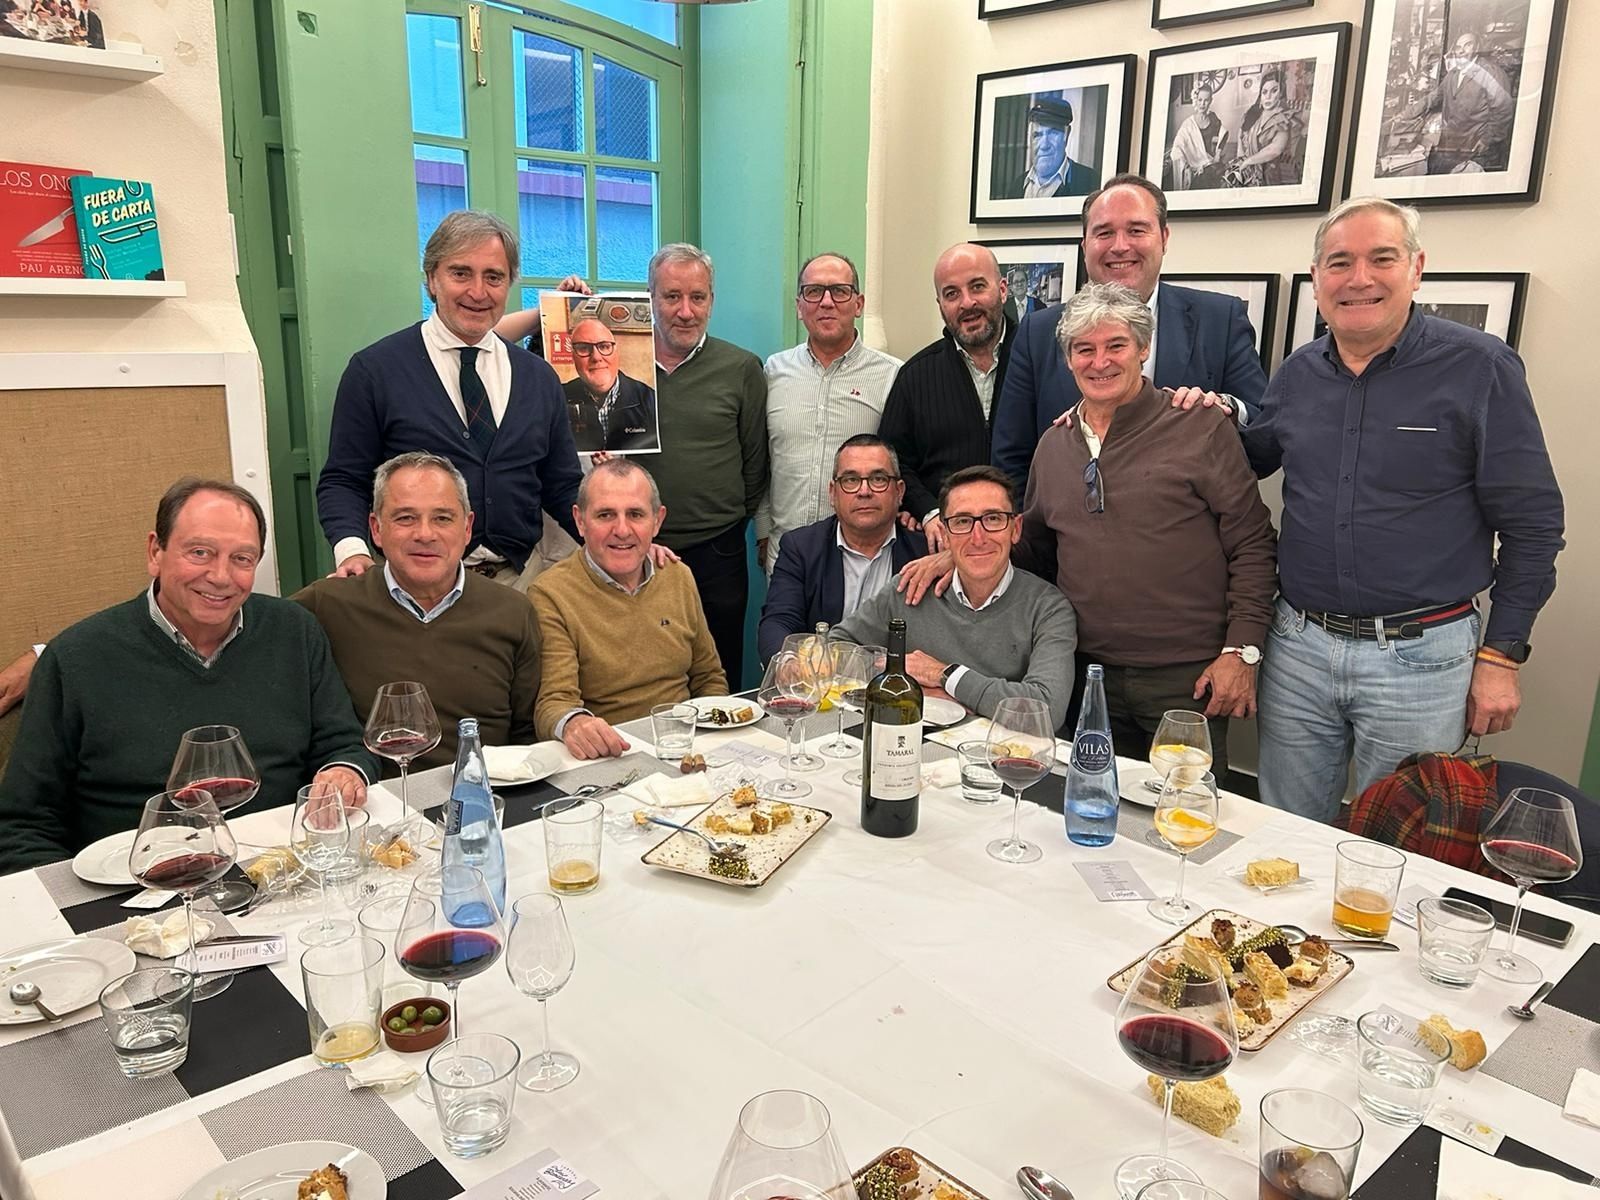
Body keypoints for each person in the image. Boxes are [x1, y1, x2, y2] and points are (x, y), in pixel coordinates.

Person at [1242, 197, 1565, 822]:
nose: (1359, 278)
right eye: (1339, 263)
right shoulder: (1299, 373)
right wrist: (1198, 413)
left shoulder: (1480, 367)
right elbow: (1243, 463)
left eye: (1381, 258)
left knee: (1398, 847)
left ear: (1416, 269)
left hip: (1420, 658)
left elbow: (1533, 526)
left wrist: (1501, 656)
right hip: (1299, 647)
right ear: (1317, 280)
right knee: (1283, 829)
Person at [0, 479, 377, 872]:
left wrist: (344, 771)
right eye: (200, 552)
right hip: (139, 889)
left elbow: (344, 744)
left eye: (242, 559)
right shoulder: (75, 660)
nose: (220, 576)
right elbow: (23, 825)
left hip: (284, 870)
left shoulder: (294, 631)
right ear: (154, 552)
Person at [1011, 283, 1277, 780]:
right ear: (1068, 359)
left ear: (1144, 348)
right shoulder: (1054, 444)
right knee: (1088, 808)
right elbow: (1036, 552)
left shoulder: (1199, 426)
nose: (1100, 362)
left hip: (1184, 679)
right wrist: (962, 550)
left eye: (1116, 346)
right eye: (1084, 349)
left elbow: (1253, 543)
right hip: (1084, 673)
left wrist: (1241, 652)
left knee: (1184, 818)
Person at [315, 210, 584, 590]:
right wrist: (352, 549)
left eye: (494, 277)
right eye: (461, 273)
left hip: (522, 583)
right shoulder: (375, 371)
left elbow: (562, 485)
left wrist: (615, 540)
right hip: (415, 586)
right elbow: (344, 479)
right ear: (431, 280)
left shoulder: (538, 378)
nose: (478, 292)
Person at [991, 174, 1267, 484]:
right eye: (1104, 233)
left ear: (1163, 238)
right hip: (1067, 529)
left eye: (1136, 230)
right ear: (1085, 246)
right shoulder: (1038, 332)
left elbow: (1265, 444)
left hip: (1189, 528)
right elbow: (1010, 462)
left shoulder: (1221, 319)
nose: (1120, 246)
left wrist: (1225, 409)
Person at [292, 453, 540, 770]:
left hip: (485, 797)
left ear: (467, 528)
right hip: (376, 804)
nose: (425, 533)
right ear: (376, 529)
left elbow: (528, 734)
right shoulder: (327, 604)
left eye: (442, 518)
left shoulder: (513, 611)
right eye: (405, 518)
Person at [834, 467, 1077, 730]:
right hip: (919, 757)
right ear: (945, 535)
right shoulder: (910, 588)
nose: (978, 537)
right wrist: (904, 684)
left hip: (1009, 759)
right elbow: (835, 649)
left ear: (1015, 529)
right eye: (962, 521)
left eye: (993, 519)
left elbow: (1046, 710)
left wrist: (944, 675)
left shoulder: (1048, 608)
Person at [531, 459, 727, 760]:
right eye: (605, 514)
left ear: (657, 521)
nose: (621, 530)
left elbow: (709, 677)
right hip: (609, 756)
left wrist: (712, 746)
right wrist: (575, 724)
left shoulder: (678, 575)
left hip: (685, 747)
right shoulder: (551, 593)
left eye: (635, 514)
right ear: (580, 521)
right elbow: (554, 703)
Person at [643, 243, 768, 688]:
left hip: (718, 550)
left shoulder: (741, 369)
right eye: (672, 296)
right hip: (634, 551)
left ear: (712, 301)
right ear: (650, 297)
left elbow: (756, 462)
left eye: (697, 297)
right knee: (645, 671)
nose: (685, 311)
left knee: (720, 672)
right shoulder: (617, 362)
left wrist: (726, 515)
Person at [756, 252, 901, 573]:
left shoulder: (891, 376)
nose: (826, 302)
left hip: (863, 555)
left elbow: (900, 467)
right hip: (785, 552)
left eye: (839, 291)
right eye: (813, 291)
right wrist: (764, 530)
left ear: (858, 303)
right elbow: (762, 458)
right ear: (798, 306)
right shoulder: (773, 371)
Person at [878, 243, 1014, 552]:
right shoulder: (915, 375)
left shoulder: (1040, 360)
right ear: (940, 304)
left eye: (977, 286)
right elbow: (894, 463)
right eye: (952, 294)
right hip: (946, 542)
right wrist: (927, 512)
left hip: (1028, 539)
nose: (967, 303)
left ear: (1002, 289)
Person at [758, 435, 928, 662]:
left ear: (899, 492)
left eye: (878, 479)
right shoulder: (801, 548)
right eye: (850, 480)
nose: (864, 491)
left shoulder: (926, 551)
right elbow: (779, 621)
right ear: (832, 493)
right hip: (822, 686)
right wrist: (790, 664)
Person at [1406, 31, 1515, 174]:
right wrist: (1405, 115)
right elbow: (1433, 98)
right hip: (1452, 146)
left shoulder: (1491, 73)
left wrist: (1486, 140)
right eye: (1458, 47)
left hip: (1477, 151)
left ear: (1476, 48)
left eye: (1467, 45)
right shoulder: (1454, 74)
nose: (1461, 50)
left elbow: (1504, 110)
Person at [562, 316, 658, 453]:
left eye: (604, 346)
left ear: (616, 352)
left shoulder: (649, 399)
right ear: (573, 356)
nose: (596, 357)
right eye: (583, 348)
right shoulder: (558, 398)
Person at [999, 96, 1100, 199]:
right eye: (1037, 135)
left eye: (1052, 133)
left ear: (1067, 134)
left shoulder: (1089, 181)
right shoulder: (1017, 186)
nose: (1044, 145)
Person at [1225, 74, 1303, 188]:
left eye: (1274, 91)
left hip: (1268, 176)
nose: (1268, 96)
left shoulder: (1283, 118)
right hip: (1245, 172)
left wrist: (1247, 162)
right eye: (1264, 92)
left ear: (1281, 93)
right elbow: (1241, 136)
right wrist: (1240, 161)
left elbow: (1275, 149)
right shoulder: (1251, 114)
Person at [1167, 82, 1229, 190]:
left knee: (1223, 175)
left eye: (1206, 100)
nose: (1202, 104)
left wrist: (1218, 154)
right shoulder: (1188, 124)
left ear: (1210, 101)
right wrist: (1184, 161)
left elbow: (1224, 133)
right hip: (1193, 164)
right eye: (1200, 100)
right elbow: (1177, 145)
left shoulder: (1213, 118)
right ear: (1196, 100)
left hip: (1209, 161)